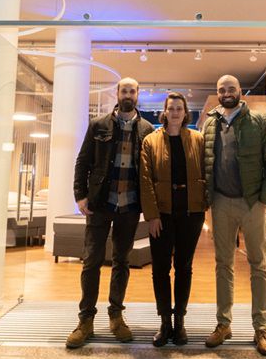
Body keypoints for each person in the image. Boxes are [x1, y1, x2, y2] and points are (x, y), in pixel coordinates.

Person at [66, 78, 154, 349]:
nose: (128, 94)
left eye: (132, 91)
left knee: (121, 262)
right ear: (117, 94)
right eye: (123, 90)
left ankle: (116, 316)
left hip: (129, 206)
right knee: (91, 262)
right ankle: (85, 320)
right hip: (100, 204)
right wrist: (80, 195)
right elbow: (83, 161)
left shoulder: (147, 129)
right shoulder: (98, 125)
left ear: (137, 95)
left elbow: (150, 171)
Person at [203, 75, 266, 356]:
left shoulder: (259, 121)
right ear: (218, 93)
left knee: (258, 265)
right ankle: (223, 324)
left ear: (240, 91)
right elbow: (205, 164)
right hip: (221, 202)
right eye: (221, 89)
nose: (226, 93)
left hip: (252, 204)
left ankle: (261, 328)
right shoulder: (210, 123)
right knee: (223, 264)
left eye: (231, 89)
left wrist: (264, 200)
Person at [139, 92, 207, 347]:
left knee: (184, 267)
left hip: (191, 213)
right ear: (164, 112)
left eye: (180, 108)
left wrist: (205, 203)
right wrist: (153, 216)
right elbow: (145, 181)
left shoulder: (197, 139)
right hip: (163, 215)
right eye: (171, 108)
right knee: (160, 269)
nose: (175, 112)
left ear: (185, 112)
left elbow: (207, 171)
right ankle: (164, 322)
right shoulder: (150, 141)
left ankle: (180, 322)